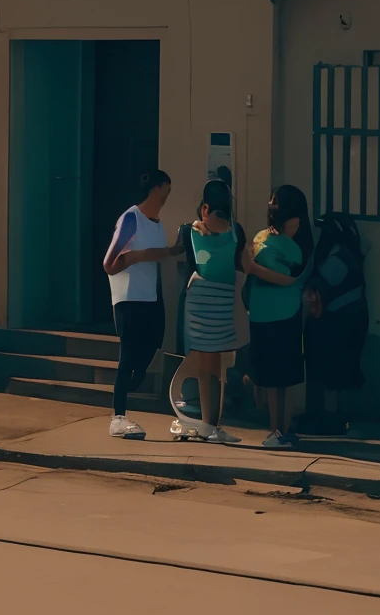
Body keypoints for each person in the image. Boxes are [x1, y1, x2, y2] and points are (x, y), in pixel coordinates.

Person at [171, 179, 245, 445]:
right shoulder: (236, 231)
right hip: (222, 299)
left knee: (208, 364)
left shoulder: (189, 231)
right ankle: (210, 424)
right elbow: (241, 263)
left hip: (200, 299)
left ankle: (208, 424)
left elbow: (186, 258)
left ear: (205, 206)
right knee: (216, 366)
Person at [101, 169, 173, 439]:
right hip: (129, 298)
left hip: (150, 297)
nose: (168, 194)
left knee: (154, 342)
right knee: (128, 355)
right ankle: (118, 415)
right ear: (155, 189)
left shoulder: (156, 223)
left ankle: (132, 382)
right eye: (166, 188)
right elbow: (109, 263)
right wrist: (138, 256)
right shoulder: (131, 218)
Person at [245, 184, 311, 450]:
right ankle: (277, 429)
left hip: (271, 313)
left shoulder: (262, 239)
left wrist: (254, 269)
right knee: (277, 376)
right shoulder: (283, 243)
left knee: (278, 376)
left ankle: (279, 429)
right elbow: (291, 278)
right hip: (276, 313)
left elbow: (287, 277)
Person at [302, 212, 368, 435]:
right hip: (350, 321)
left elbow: (318, 286)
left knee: (333, 372)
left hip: (340, 323)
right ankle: (335, 417)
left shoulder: (338, 257)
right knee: (340, 372)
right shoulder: (346, 253)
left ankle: (331, 419)